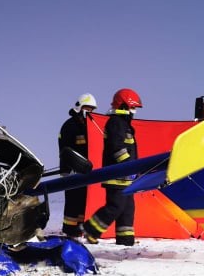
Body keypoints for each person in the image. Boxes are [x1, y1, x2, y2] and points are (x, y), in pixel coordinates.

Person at [83, 88, 142, 246]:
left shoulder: (124, 124)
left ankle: (125, 241)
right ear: (123, 106)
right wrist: (129, 166)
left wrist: (135, 169)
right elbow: (117, 148)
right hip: (117, 176)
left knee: (128, 209)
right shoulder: (116, 123)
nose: (134, 111)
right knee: (116, 206)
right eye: (132, 107)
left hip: (127, 177)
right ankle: (90, 230)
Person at [57, 93, 97, 238]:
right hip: (71, 171)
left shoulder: (90, 126)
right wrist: (67, 170)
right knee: (73, 202)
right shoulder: (69, 126)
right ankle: (69, 230)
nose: (90, 111)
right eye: (87, 108)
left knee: (82, 201)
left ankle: (79, 229)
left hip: (86, 171)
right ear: (79, 107)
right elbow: (65, 151)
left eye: (92, 109)